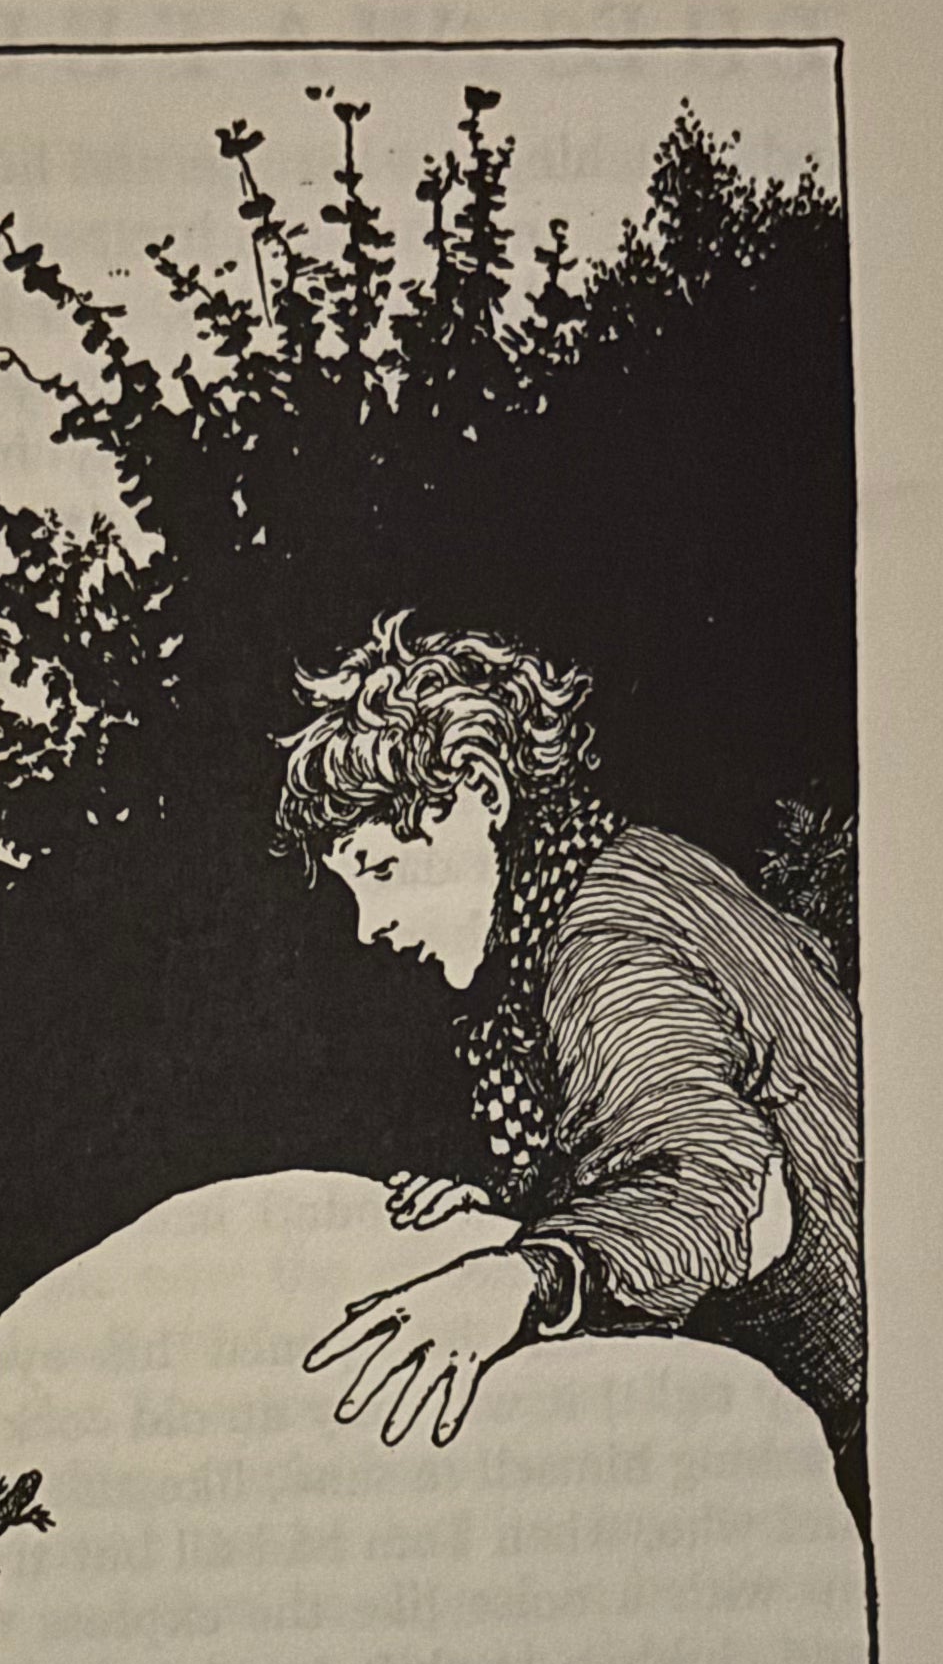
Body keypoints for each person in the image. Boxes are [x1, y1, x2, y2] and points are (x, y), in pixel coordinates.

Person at [274, 614, 864, 1464]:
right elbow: (639, 1138)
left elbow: (733, 1193)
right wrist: (513, 1211)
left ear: (480, 791)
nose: (370, 925)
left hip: (857, 1424)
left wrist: (519, 1277)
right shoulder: (625, 874)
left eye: (381, 869)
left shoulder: (604, 940)